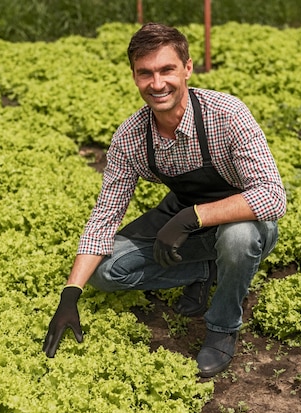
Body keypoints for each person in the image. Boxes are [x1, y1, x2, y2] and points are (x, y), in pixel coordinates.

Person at [42, 22, 287, 378]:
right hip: (184, 217)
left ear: (188, 68)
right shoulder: (131, 137)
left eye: (167, 69)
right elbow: (105, 217)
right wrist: (70, 294)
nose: (157, 84)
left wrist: (191, 218)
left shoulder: (227, 115)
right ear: (134, 77)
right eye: (146, 74)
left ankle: (222, 327)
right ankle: (208, 269)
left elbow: (272, 197)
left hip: (244, 219)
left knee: (238, 240)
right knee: (105, 271)